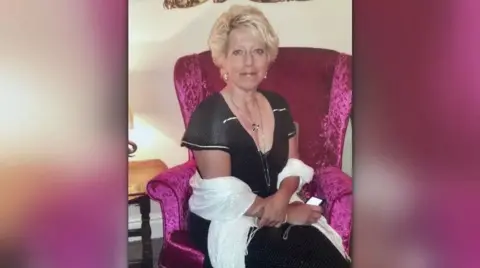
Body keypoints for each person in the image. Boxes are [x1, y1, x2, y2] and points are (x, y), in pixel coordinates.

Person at [181, 5, 350, 268]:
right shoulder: (209, 114)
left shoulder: (278, 105)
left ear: (268, 58)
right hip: (228, 218)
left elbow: (293, 166)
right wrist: (285, 213)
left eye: (257, 51)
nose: (248, 62)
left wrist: (282, 200)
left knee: (325, 253)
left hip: (277, 206)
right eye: (238, 52)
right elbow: (224, 195)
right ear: (223, 60)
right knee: (290, 261)